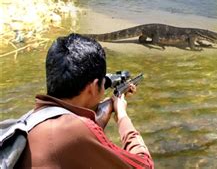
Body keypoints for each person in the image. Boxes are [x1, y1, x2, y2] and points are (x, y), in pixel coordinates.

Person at [15, 33, 153, 168]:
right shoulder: (75, 131)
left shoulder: (31, 120)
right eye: (103, 84)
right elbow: (144, 165)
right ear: (92, 87)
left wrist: (111, 105)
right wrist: (122, 115)